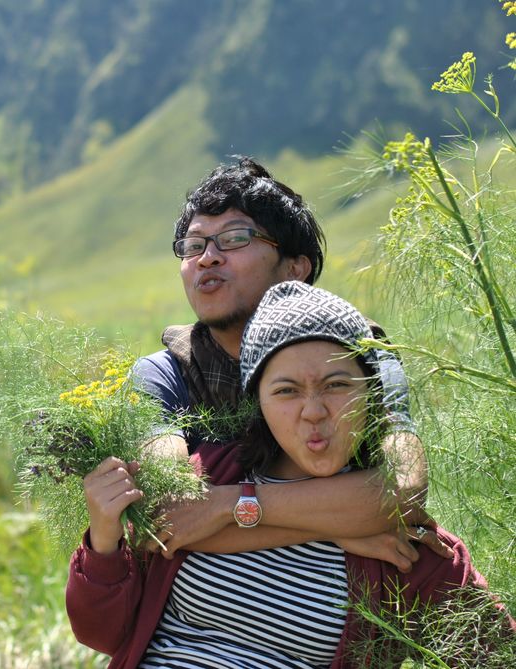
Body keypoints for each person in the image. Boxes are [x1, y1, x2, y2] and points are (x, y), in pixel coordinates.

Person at [67, 281, 513, 668]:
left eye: (337, 385)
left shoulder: (401, 546)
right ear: (256, 401)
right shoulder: (206, 478)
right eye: (286, 391)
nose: (314, 411)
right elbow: (103, 634)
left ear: (371, 392)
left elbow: (495, 655)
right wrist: (104, 541)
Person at [128, 157, 443, 566]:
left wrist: (227, 505)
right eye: (193, 245)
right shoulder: (165, 374)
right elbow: (166, 511)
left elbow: (402, 488)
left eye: (235, 238)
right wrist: (335, 529)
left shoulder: (360, 354)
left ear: (295, 268)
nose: (207, 258)